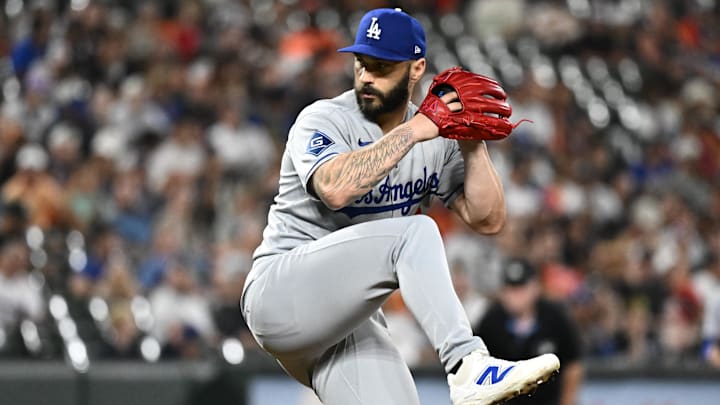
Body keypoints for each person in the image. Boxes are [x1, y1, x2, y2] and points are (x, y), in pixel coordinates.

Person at [240, 8, 559, 405]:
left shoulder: (433, 138)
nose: (367, 77)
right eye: (361, 64)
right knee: (417, 233)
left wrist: (470, 140)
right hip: (279, 292)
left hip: (345, 324)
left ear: (416, 68)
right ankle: (467, 364)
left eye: (382, 66)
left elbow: (488, 219)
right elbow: (336, 189)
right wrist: (417, 129)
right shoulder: (323, 119)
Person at [474, 258, 583, 405]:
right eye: (510, 289)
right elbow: (475, 368)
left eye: (521, 289)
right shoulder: (491, 323)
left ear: (535, 288)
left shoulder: (555, 319)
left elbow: (572, 365)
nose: (515, 296)